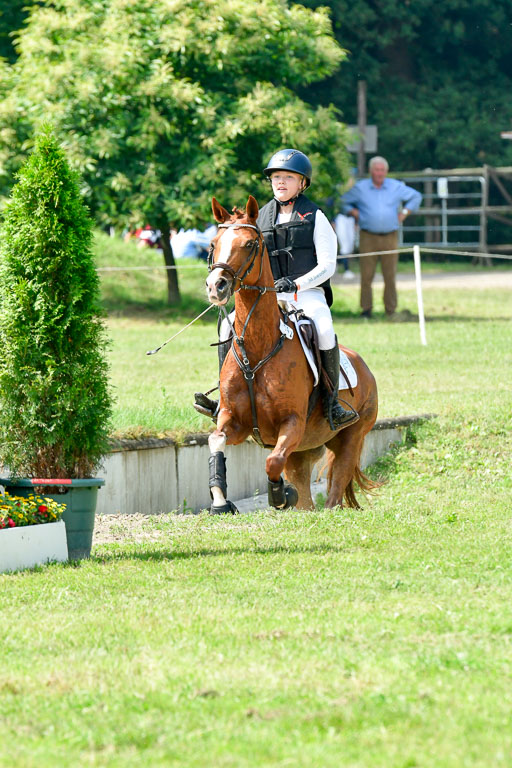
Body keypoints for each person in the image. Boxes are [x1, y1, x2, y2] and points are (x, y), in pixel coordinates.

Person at [194, 148, 358, 430]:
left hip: (306, 293)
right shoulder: (259, 217)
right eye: (276, 178)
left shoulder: (315, 217)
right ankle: (224, 398)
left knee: (324, 327)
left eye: (288, 177)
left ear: (302, 183)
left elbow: (328, 265)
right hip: (267, 297)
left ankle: (332, 402)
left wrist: (297, 283)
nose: (280, 183)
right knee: (226, 327)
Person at [341, 156, 422, 318]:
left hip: (390, 236)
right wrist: (353, 212)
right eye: (376, 170)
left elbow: (416, 196)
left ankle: (390, 309)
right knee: (367, 275)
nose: (379, 173)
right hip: (367, 236)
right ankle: (366, 309)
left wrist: (405, 213)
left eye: (382, 170)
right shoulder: (361, 188)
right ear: (371, 171)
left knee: (390, 275)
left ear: (386, 171)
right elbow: (343, 201)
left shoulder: (395, 187)